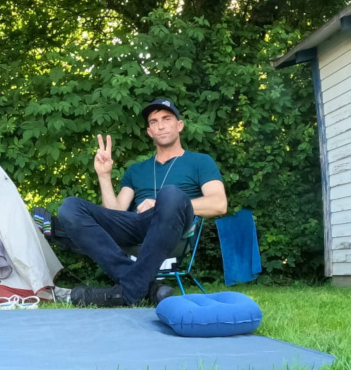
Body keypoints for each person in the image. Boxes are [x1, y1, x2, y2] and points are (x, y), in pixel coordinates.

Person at [37, 98, 227, 307]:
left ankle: (126, 293)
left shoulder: (200, 161)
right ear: (149, 132)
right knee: (71, 207)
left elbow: (219, 204)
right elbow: (115, 211)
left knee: (171, 194)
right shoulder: (136, 170)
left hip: (176, 227)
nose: (161, 125)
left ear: (179, 125)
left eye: (167, 119)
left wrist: (160, 203)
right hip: (136, 224)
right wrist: (104, 175)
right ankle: (145, 288)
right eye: (154, 122)